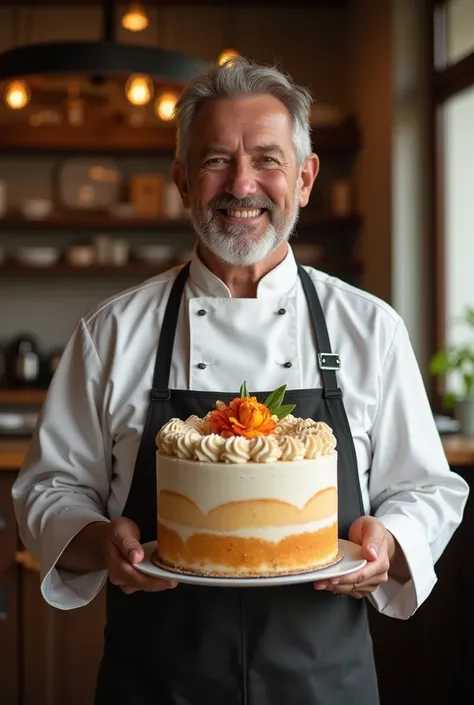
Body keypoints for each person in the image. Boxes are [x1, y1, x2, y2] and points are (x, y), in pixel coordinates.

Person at [12, 56, 469, 705]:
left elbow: (427, 488)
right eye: (216, 160)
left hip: (325, 682)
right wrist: (98, 541)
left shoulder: (370, 328)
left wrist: (390, 542)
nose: (242, 183)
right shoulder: (111, 332)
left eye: (268, 159)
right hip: (156, 683)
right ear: (181, 180)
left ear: (306, 178)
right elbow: (48, 490)